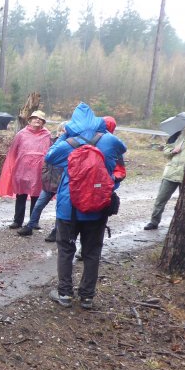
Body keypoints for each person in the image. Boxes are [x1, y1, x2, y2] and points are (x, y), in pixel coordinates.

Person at [45, 102, 126, 310]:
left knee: (66, 250)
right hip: (98, 206)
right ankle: (87, 297)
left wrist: (65, 135)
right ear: (95, 120)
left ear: (74, 123)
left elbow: (49, 156)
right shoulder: (109, 141)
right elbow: (122, 150)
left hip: (68, 208)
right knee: (92, 252)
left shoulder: (67, 144)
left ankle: (64, 294)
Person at [0, 110, 51, 229]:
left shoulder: (47, 135)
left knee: (36, 196)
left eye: (40, 119)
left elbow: (51, 152)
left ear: (43, 122)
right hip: (22, 169)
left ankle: (33, 221)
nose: (37, 120)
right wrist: (13, 166)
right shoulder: (21, 134)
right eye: (35, 118)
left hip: (39, 171)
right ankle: (18, 221)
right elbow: (13, 152)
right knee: (21, 195)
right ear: (30, 120)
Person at [17, 121, 67, 240]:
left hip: (62, 181)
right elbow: (46, 157)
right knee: (39, 205)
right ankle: (30, 225)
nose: (62, 133)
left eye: (64, 131)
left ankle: (56, 232)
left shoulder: (70, 145)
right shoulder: (51, 142)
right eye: (60, 130)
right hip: (49, 180)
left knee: (60, 208)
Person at [144, 118, 185, 230]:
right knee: (160, 200)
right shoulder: (177, 136)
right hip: (171, 173)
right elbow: (165, 152)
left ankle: (182, 224)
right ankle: (154, 222)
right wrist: (173, 151)